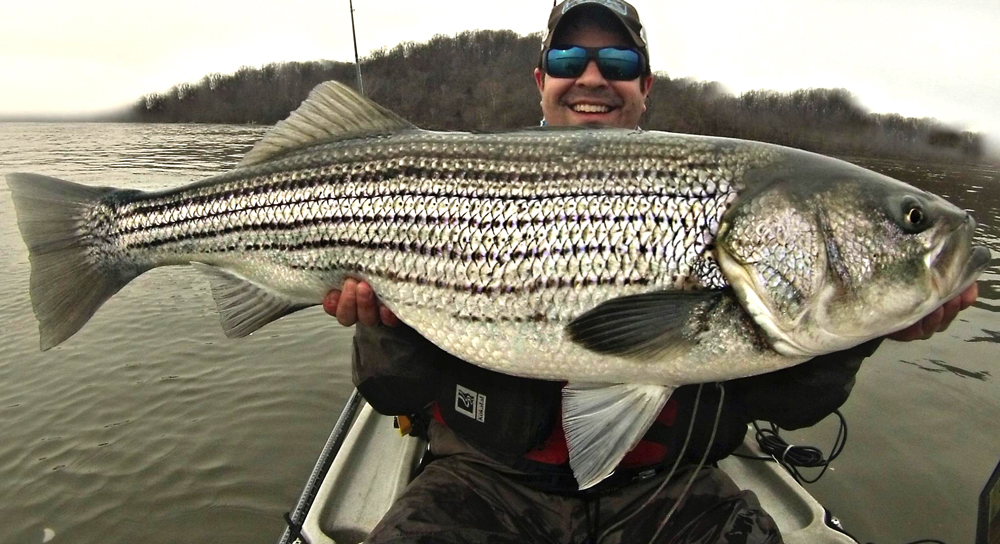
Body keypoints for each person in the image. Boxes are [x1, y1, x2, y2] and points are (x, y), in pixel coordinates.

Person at [323, 1, 981, 542]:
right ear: (540, 81)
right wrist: (382, 323)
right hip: (478, 486)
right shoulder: (444, 189)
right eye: (566, 59)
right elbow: (391, 393)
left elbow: (790, 404)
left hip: (669, 493)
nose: (591, 76)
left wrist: (864, 327)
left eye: (617, 61)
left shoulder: (722, 201)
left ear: (645, 87)